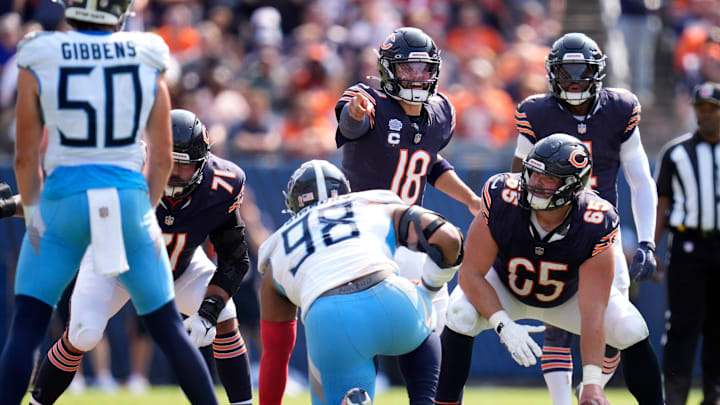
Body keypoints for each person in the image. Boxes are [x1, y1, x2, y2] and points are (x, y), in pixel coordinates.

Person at [0, 0, 219, 402]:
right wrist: (141, 210)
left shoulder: (41, 51)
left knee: (27, 327)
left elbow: (26, 156)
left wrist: (33, 214)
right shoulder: (145, 52)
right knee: (169, 329)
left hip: (62, 197)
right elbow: (163, 158)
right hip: (127, 200)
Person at [27, 109, 253, 404]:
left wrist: (208, 312)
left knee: (224, 316)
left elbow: (235, 258)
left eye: (185, 165)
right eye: (169, 160)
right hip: (114, 265)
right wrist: (21, 203)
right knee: (82, 334)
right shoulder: (126, 169)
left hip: (177, 265)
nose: (174, 171)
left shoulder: (221, 184)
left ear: (202, 163)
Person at [435, 134, 664, 405]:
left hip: (568, 298)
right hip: (505, 289)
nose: (535, 183)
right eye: (532, 174)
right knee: (460, 314)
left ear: (572, 185)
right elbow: (471, 274)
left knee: (631, 328)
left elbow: (593, 310)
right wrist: (503, 324)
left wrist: (591, 383)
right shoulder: (502, 196)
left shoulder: (596, 220)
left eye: (547, 178)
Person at [502, 32, 658, 405]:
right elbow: (516, 178)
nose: (574, 81)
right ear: (552, 74)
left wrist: (648, 240)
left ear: (598, 72)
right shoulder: (537, 111)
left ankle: (591, 392)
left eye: (582, 71)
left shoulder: (619, 109)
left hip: (600, 230)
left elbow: (640, 179)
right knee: (558, 322)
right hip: (551, 227)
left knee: (613, 326)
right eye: (566, 72)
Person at [334, 26, 481, 383]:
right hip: (364, 229)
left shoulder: (441, 110)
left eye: (423, 69)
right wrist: (353, 114)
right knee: (361, 325)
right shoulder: (368, 99)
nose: (417, 77)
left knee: (437, 321)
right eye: (407, 68)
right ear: (387, 70)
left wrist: (471, 200)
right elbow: (350, 128)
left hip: (408, 231)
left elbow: (428, 163)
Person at [257, 160, 463, 405]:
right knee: (423, 320)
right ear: (346, 191)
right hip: (392, 297)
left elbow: (275, 357)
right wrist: (431, 285)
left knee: (334, 382)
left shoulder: (277, 249)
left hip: (330, 320)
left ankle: (354, 399)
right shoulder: (372, 205)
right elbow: (448, 238)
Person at [654, 82, 720, 405]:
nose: (706, 116)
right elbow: (661, 204)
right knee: (682, 327)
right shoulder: (676, 152)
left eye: (713, 109)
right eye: (702, 109)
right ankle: (676, 398)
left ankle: (714, 397)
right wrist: (650, 248)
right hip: (687, 248)